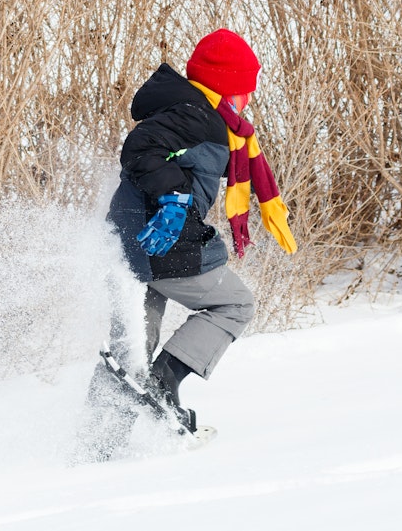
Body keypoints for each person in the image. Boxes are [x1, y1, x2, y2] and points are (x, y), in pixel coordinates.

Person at [85, 28, 297, 455]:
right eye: (243, 89)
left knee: (131, 349)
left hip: (131, 236)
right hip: (161, 237)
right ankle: (164, 382)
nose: (247, 100)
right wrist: (174, 199)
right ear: (225, 86)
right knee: (234, 303)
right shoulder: (198, 114)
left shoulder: (193, 110)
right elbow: (140, 148)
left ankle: (95, 445)